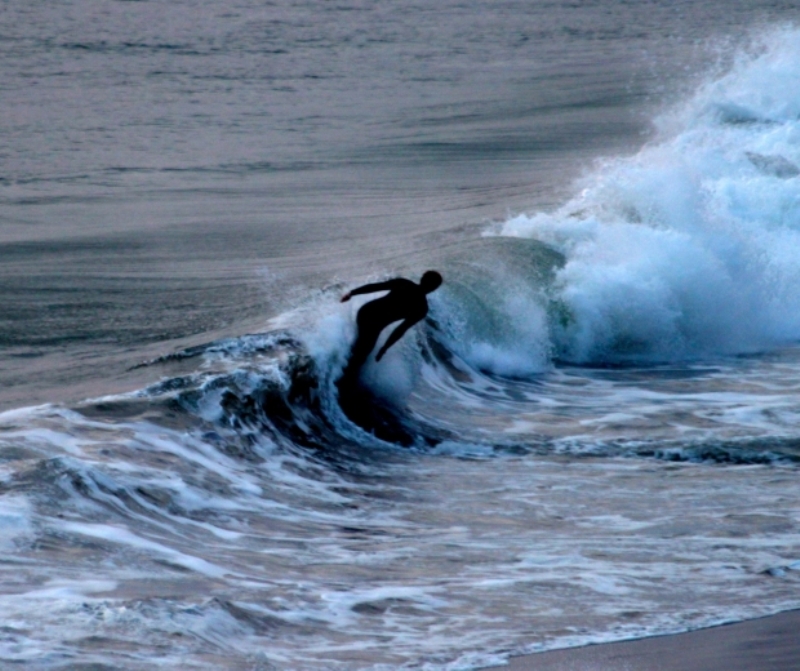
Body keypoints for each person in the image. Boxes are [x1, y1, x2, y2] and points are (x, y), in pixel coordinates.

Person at [340, 271, 443, 375]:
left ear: (422, 279)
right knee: (363, 352)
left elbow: (376, 287)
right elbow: (400, 330)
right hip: (371, 319)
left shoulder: (405, 285)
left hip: (367, 313)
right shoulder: (421, 307)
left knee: (363, 348)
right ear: (434, 288)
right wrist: (385, 347)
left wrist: (352, 293)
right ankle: (344, 374)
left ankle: (342, 365)